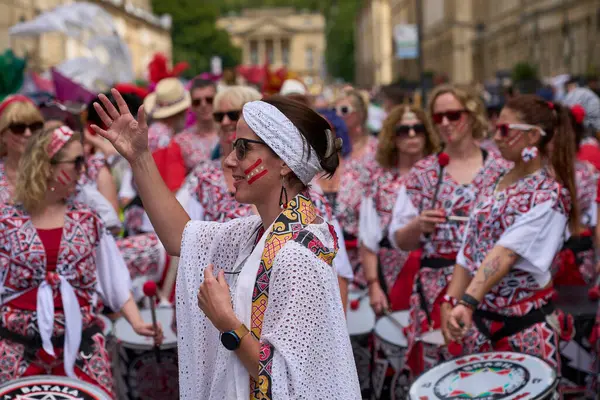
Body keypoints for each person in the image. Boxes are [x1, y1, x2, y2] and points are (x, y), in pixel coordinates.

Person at [91, 90, 360, 399]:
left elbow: (283, 379)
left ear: (284, 162)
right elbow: (181, 237)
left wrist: (226, 321)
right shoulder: (258, 234)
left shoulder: (297, 254)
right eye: (234, 147)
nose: (231, 160)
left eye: (243, 148)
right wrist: (139, 157)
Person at [0, 125, 162, 397]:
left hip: (82, 351)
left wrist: (137, 322)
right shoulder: (6, 223)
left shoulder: (88, 221)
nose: (83, 170)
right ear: (47, 166)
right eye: (76, 162)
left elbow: (114, 279)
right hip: (17, 352)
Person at [444, 95, 578, 372]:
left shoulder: (550, 195)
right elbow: (469, 247)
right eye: (496, 129)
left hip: (523, 331)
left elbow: (505, 253)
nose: (497, 136)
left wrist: (466, 302)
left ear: (532, 136)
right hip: (477, 324)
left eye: (505, 130)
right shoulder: (492, 177)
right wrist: (451, 301)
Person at [387, 84, 508, 377]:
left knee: (490, 377)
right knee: (441, 377)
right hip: (436, 292)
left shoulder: (502, 169)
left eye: (453, 115)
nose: (445, 123)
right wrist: (419, 225)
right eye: (438, 117)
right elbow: (398, 240)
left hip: (491, 288)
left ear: (472, 114)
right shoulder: (424, 172)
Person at [362, 105, 438, 313]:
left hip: (438, 277)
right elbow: (368, 241)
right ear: (392, 138)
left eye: (418, 128)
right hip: (393, 277)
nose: (412, 134)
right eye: (404, 130)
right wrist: (373, 285)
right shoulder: (379, 182)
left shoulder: (443, 177)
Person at [0, 95, 44, 202]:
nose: (28, 133)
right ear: (2, 135)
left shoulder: (52, 172)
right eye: (18, 128)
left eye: (35, 127)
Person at [173, 78, 219, 172]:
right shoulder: (181, 141)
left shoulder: (230, 135)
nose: (203, 105)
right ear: (192, 106)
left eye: (209, 100)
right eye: (197, 102)